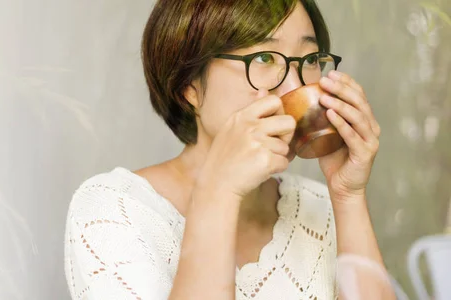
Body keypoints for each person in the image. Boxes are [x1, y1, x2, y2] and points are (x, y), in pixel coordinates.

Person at [64, 0, 394, 299]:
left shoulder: (319, 207)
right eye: (264, 57)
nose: (296, 86)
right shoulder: (114, 210)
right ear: (188, 87)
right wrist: (217, 192)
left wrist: (348, 196)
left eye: (309, 59)